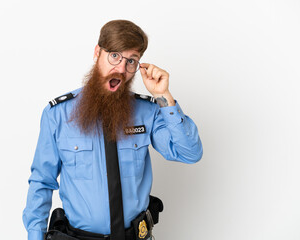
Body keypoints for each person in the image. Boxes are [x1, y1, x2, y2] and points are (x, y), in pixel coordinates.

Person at [23, 19, 203, 240]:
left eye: (131, 61)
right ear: (97, 52)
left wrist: (164, 96)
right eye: (115, 56)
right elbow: (42, 181)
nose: (121, 68)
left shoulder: (148, 111)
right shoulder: (58, 114)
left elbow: (190, 153)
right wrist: (35, 235)